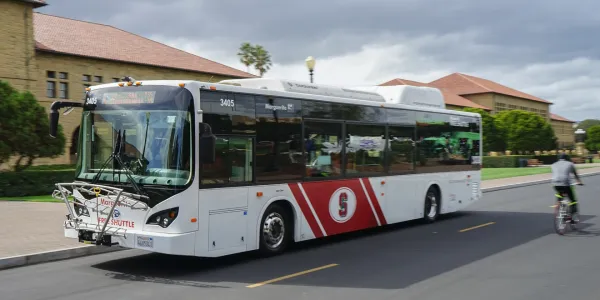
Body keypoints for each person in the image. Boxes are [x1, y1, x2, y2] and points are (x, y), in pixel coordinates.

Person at [551, 153, 583, 223]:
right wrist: (579, 181)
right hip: (566, 184)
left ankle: (558, 204)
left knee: (559, 194)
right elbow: (575, 174)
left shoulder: (553, 164)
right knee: (573, 201)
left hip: (555, 184)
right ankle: (570, 217)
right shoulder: (570, 164)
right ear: (567, 158)